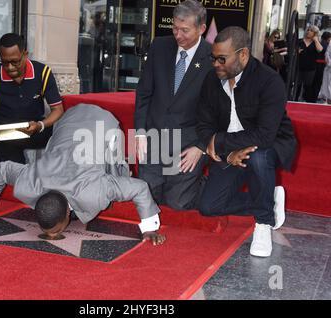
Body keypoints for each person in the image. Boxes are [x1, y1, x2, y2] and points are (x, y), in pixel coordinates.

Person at [0, 104, 166, 245]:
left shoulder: (94, 191)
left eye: (58, 231)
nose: (53, 237)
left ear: (68, 214)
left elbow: (139, 187)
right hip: (67, 121)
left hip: (102, 124)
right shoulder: (30, 182)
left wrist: (149, 228)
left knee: (115, 167)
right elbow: (2, 169)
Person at [195, 26, 297, 257]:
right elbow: (203, 124)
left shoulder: (269, 81)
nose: (215, 64)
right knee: (209, 206)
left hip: (266, 146)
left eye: (222, 58)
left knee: (259, 156)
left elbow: (264, 135)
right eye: (213, 58)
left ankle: (263, 222)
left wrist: (221, 142)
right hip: (229, 152)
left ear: (243, 54)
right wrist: (227, 153)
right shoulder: (212, 80)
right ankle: (267, 198)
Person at [134, 0, 212, 210]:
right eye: (175, 28)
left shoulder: (213, 58)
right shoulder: (159, 46)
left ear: (202, 29)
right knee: (149, 196)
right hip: (155, 136)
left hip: (189, 141)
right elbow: (144, 93)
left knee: (178, 202)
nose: (178, 35)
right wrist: (140, 132)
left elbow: (219, 110)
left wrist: (201, 147)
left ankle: (207, 184)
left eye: (185, 30)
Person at [0, 33, 64, 164]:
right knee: (16, 177)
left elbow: (58, 109)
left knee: (63, 138)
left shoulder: (42, 73)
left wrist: (40, 125)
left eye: (15, 61)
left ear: (25, 54)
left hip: (35, 130)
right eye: (4, 62)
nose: (10, 67)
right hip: (4, 136)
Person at [297, 25, 323, 103]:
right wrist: (297, 52)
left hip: (310, 68)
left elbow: (320, 50)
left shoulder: (316, 43)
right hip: (299, 67)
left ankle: (306, 101)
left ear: (315, 33)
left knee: (308, 86)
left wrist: (316, 40)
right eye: (308, 30)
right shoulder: (300, 41)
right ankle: (295, 99)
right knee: (297, 85)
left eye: (311, 31)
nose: (308, 31)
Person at [315, 31, 331, 103]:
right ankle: (326, 98)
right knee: (325, 83)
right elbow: (326, 53)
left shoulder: (325, 43)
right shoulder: (327, 44)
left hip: (325, 66)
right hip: (325, 66)